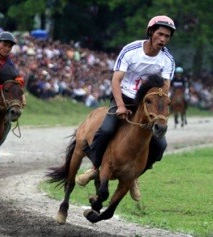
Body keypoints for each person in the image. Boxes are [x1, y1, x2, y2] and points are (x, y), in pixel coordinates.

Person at [76, 15, 176, 202]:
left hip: (147, 104)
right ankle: (95, 168)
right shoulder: (131, 51)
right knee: (106, 130)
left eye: (167, 36)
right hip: (124, 97)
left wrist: (155, 109)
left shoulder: (168, 60)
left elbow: (165, 88)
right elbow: (116, 79)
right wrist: (120, 105)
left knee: (160, 146)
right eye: (160, 34)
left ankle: (134, 177)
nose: (163, 39)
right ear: (151, 32)